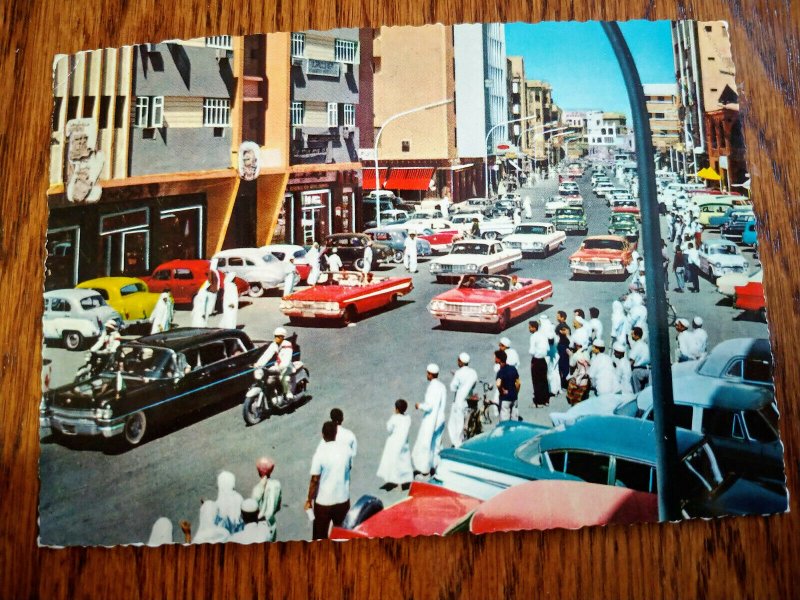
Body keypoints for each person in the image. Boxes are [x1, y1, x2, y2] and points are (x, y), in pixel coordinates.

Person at [306, 421, 352, 540]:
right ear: (336, 433)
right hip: (343, 499)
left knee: (320, 536)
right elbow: (349, 468)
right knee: (342, 535)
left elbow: (315, 480)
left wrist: (309, 500)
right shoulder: (346, 449)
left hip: (324, 502)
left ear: (323, 435)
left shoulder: (320, 454)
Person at [411, 363, 448, 476]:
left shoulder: (432, 387)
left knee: (425, 444)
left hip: (430, 420)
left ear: (431, 374)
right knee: (436, 444)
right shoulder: (442, 386)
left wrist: (419, 406)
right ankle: (435, 465)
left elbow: (429, 406)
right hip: (440, 420)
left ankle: (424, 469)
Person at [376, 399, 414, 490]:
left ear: (396, 409)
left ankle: (393, 480)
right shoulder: (408, 418)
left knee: (393, 462)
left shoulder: (394, 418)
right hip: (404, 443)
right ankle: (406, 480)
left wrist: (394, 416)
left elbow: (389, 428)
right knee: (404, 462)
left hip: (394, 443)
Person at [254, 327, 294, 400]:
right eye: (275, 336)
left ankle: (288, 392)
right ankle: (273, 395)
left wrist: (282, 367)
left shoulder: (287, 345)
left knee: (283, 377)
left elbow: (287, 358)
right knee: (267, 378)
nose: (277, 338)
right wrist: (259, 364)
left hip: (287, 366)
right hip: (277, 366)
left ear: (283, 337)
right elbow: (267, 355)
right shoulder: (274, 345)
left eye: (279, 336)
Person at [447, 352, 478, 448]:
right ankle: (463, 441)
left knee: (455, 424)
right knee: (465, 422)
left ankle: (457, 444)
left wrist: (456, 377)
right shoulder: (473, 372)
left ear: (460, 362)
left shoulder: (459, 373)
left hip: (459, 401)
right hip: (468, 401)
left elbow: (453, 388)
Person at [250, 457, 281, 542]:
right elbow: (278, 507)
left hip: (260, 524)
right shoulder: (277, 485)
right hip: (272, 522)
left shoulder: (257, 489)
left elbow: (252, 507)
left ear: (259, 471)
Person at [528, 320, 550, 408]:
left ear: (534, 328)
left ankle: (539, 401)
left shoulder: (533, 337)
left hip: (536, 360)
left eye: (530, 327)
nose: (529, 329)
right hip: (543, 361)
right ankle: (546, 400)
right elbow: (547, 348)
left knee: (536, 382)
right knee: (544, 380)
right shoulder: (543, 335)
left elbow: (532, 351)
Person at [495, 350, 521, 421]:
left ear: (499, 359)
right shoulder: (513, 369)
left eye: (495, 357)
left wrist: (502, 391)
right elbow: (518, 383)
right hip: (514, 397)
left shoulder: (500, 372)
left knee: (505, 422)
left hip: (505, 399)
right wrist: (515, 392)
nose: (494, 359)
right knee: (515, 420)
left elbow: (498, 384)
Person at [566, 340, 591, 405]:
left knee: (573, 398)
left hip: (576, 378)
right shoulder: (587, 353)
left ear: (577, 345)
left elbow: (571, 365)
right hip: (585, 380)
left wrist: (571, 355)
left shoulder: (576, 355)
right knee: (581, 398)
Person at [628, 326, 650, 394]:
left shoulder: (637, 345)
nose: (631, 335)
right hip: (647, 370)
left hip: (637, 371)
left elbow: (631, 361)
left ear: (637, 336)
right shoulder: (645, 345)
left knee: (637, 393)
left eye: (633, 334)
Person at [556, 323, 572, 388]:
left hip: (565, 349)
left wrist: (567, 334)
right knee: (561, 365)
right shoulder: (558, 335)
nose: (562, 331)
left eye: (564, 329)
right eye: (562, 330)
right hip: (561, 348)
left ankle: (566, 381)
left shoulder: (568, 336)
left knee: (566, 366)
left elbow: (571, 342)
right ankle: (564, 381)